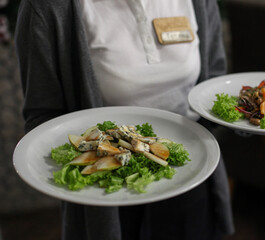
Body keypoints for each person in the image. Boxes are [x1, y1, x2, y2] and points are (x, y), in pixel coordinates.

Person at [15, 0, 234, 239]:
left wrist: (248, 118)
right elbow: (42, 115)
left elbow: (212, 83)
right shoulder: (48, 6)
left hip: (191, 177)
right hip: (107, 192)